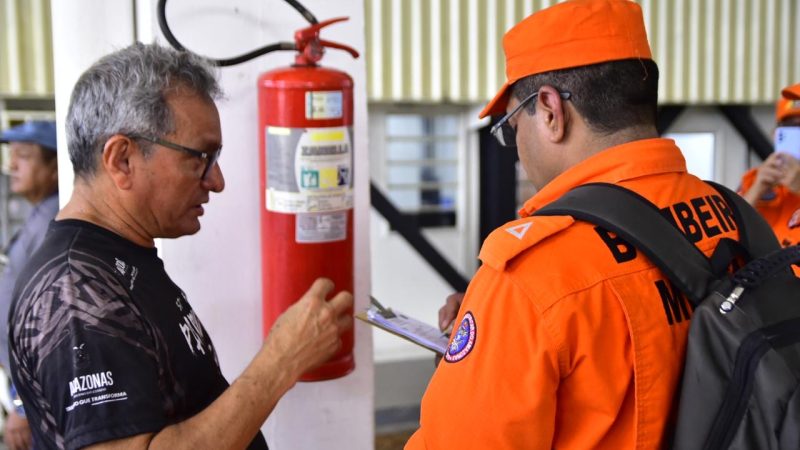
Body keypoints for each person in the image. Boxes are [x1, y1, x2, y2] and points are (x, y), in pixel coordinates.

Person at [406, 1, 743, 448]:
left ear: (549, 111)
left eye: (510, 126)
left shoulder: (531, 275)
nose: (517, 147)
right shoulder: (736, 216)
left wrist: (500, 326)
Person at [8, 43, 353, 450]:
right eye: (200, 157)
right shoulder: (73, 293)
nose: (216, 180)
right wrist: (279, 364)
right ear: (121, 159)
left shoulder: (119, 260)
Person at [0, 120, 59, 450]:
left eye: (23, 156)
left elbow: (46, 324)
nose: (12, 165)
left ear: (54, 168)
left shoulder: (53, 222)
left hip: (36, 401)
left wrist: (22, 404)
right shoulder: (40, 214)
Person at [738, 83, 800, 247]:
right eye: (791, 127)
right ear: (775, 135)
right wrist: (757, 189)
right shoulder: (755, 180)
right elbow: (731, 236)